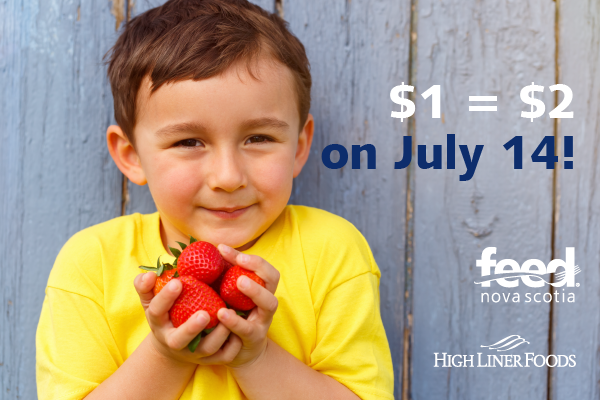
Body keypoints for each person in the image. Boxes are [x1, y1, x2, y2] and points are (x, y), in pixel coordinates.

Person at [35, 1, 394, 399]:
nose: (227, 177)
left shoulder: (333, 250)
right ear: (131, 155)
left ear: (299, 146)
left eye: (258, 138)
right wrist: (166, 355)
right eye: (189, 142)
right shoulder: (92, 263)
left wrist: (255, 358)